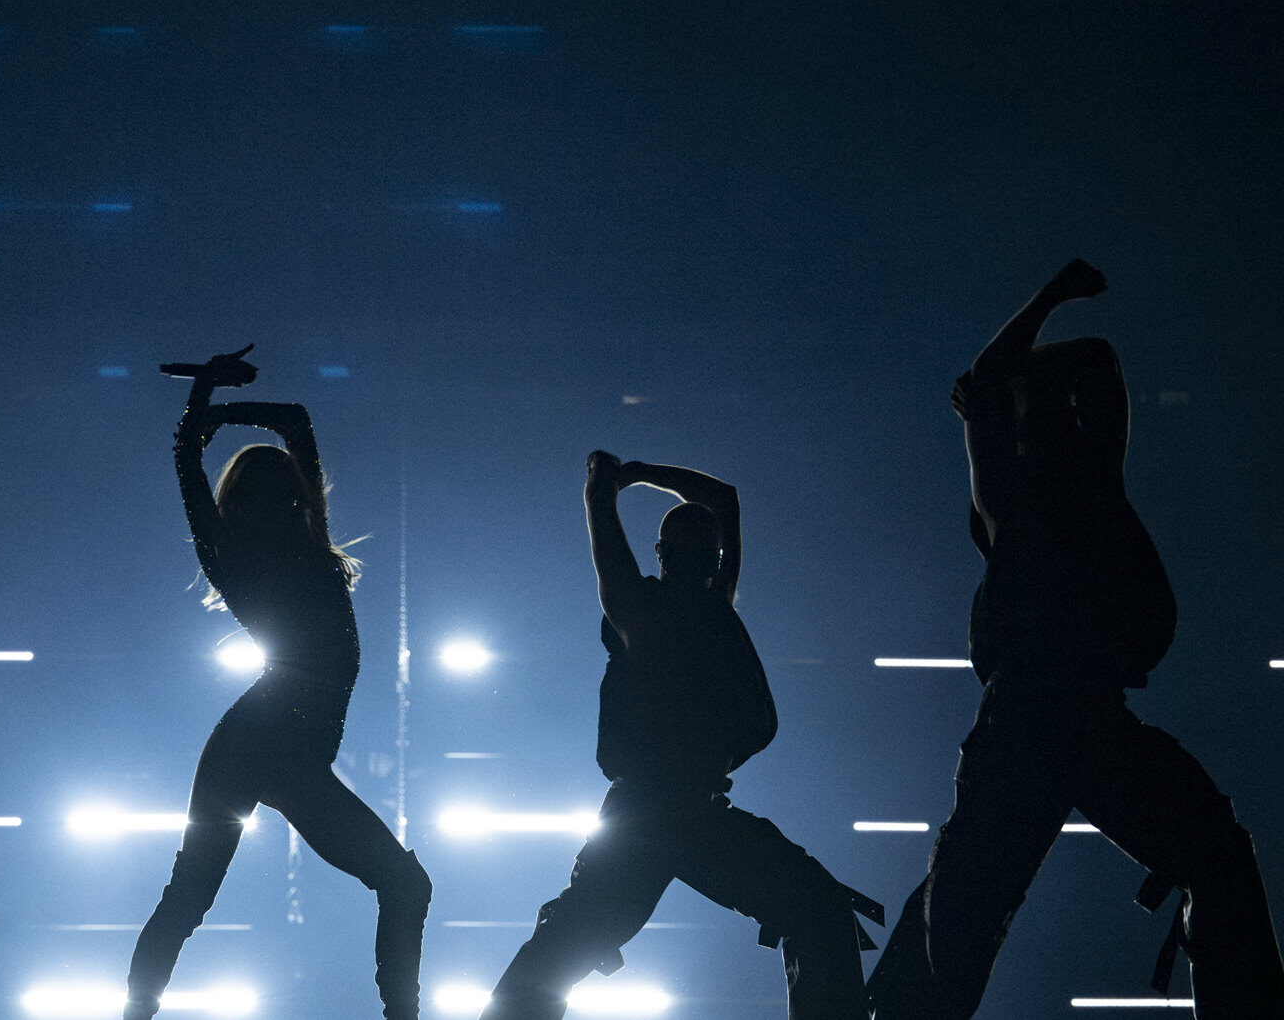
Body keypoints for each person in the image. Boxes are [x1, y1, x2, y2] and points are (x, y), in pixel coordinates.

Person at [868, 260, 1284, 1018]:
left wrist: (1026, 364)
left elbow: (1091, 365)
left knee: (1216, 855)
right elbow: (998, 376)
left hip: (1081, 718)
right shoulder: (1011, 498)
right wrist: (1049, 301)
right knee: (955, 936)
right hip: (1030, 718)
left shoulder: (1093, 478)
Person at [480, 451, 879, 1020]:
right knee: (816, 911)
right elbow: (725, 501)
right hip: (671, 812)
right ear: (709, 559)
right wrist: (637, 477)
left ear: (664, 555)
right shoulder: (690, 605)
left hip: (662, 813)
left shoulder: (643, 605)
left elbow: (658, 511)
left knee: (561, 951)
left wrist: (609, 482)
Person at [123, 346, 432, 1020]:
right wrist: (209, 403)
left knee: (402, 884)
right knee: (190, 897)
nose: (289, 496)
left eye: (290, 488)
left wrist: (213, 400)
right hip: (264, 739)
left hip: (286, 749)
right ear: (257, 501)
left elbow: (287, 422)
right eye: (277, 489)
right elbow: (200, 454)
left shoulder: (305, 542)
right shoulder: (238, 555)